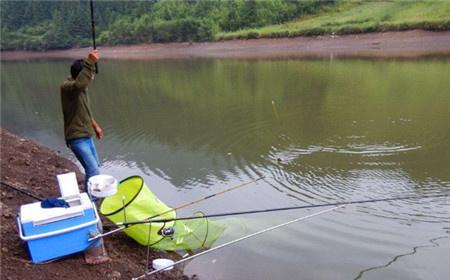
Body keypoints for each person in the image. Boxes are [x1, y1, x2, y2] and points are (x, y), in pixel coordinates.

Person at [60, 50, 110, 264]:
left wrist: (96, 126)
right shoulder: (68, 88)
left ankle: (88, 201)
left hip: (86, 135)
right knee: (94, 172)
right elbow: (80, 84)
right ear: (80, 75)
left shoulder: (81, 91)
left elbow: (86, 111)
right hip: (76, 138)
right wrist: (90, 62)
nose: (91, 80)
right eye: (89, 75)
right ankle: (90, 209)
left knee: (95, 168)